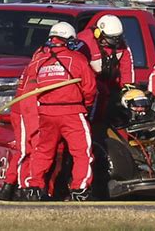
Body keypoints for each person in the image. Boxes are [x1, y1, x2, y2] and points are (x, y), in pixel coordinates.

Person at [25, 22, 97, 201]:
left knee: (43, 151)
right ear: (69, 39)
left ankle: (34, 186)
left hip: (46, 114)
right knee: (82, 151)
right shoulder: (78, 59)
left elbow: (30, 86)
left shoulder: (38, 61)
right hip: (72, 112)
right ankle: (79, 189)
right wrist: (85, 106)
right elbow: (90, 88)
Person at [78, 14, 134, 122]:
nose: (115, 43)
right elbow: (76, 65)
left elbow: (126, 65)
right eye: (110, 39)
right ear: (98, 34)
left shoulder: (120, 45)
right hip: (88, 85)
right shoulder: (83, 41)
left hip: (109, 84)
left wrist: (127, 85)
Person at [0, 65, 39, 200]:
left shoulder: (39, 60)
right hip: (24, 109)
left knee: (34, 149)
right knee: (25, 150)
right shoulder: (40, 62)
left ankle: (15, 186)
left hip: (29, 108)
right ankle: (19, 187)